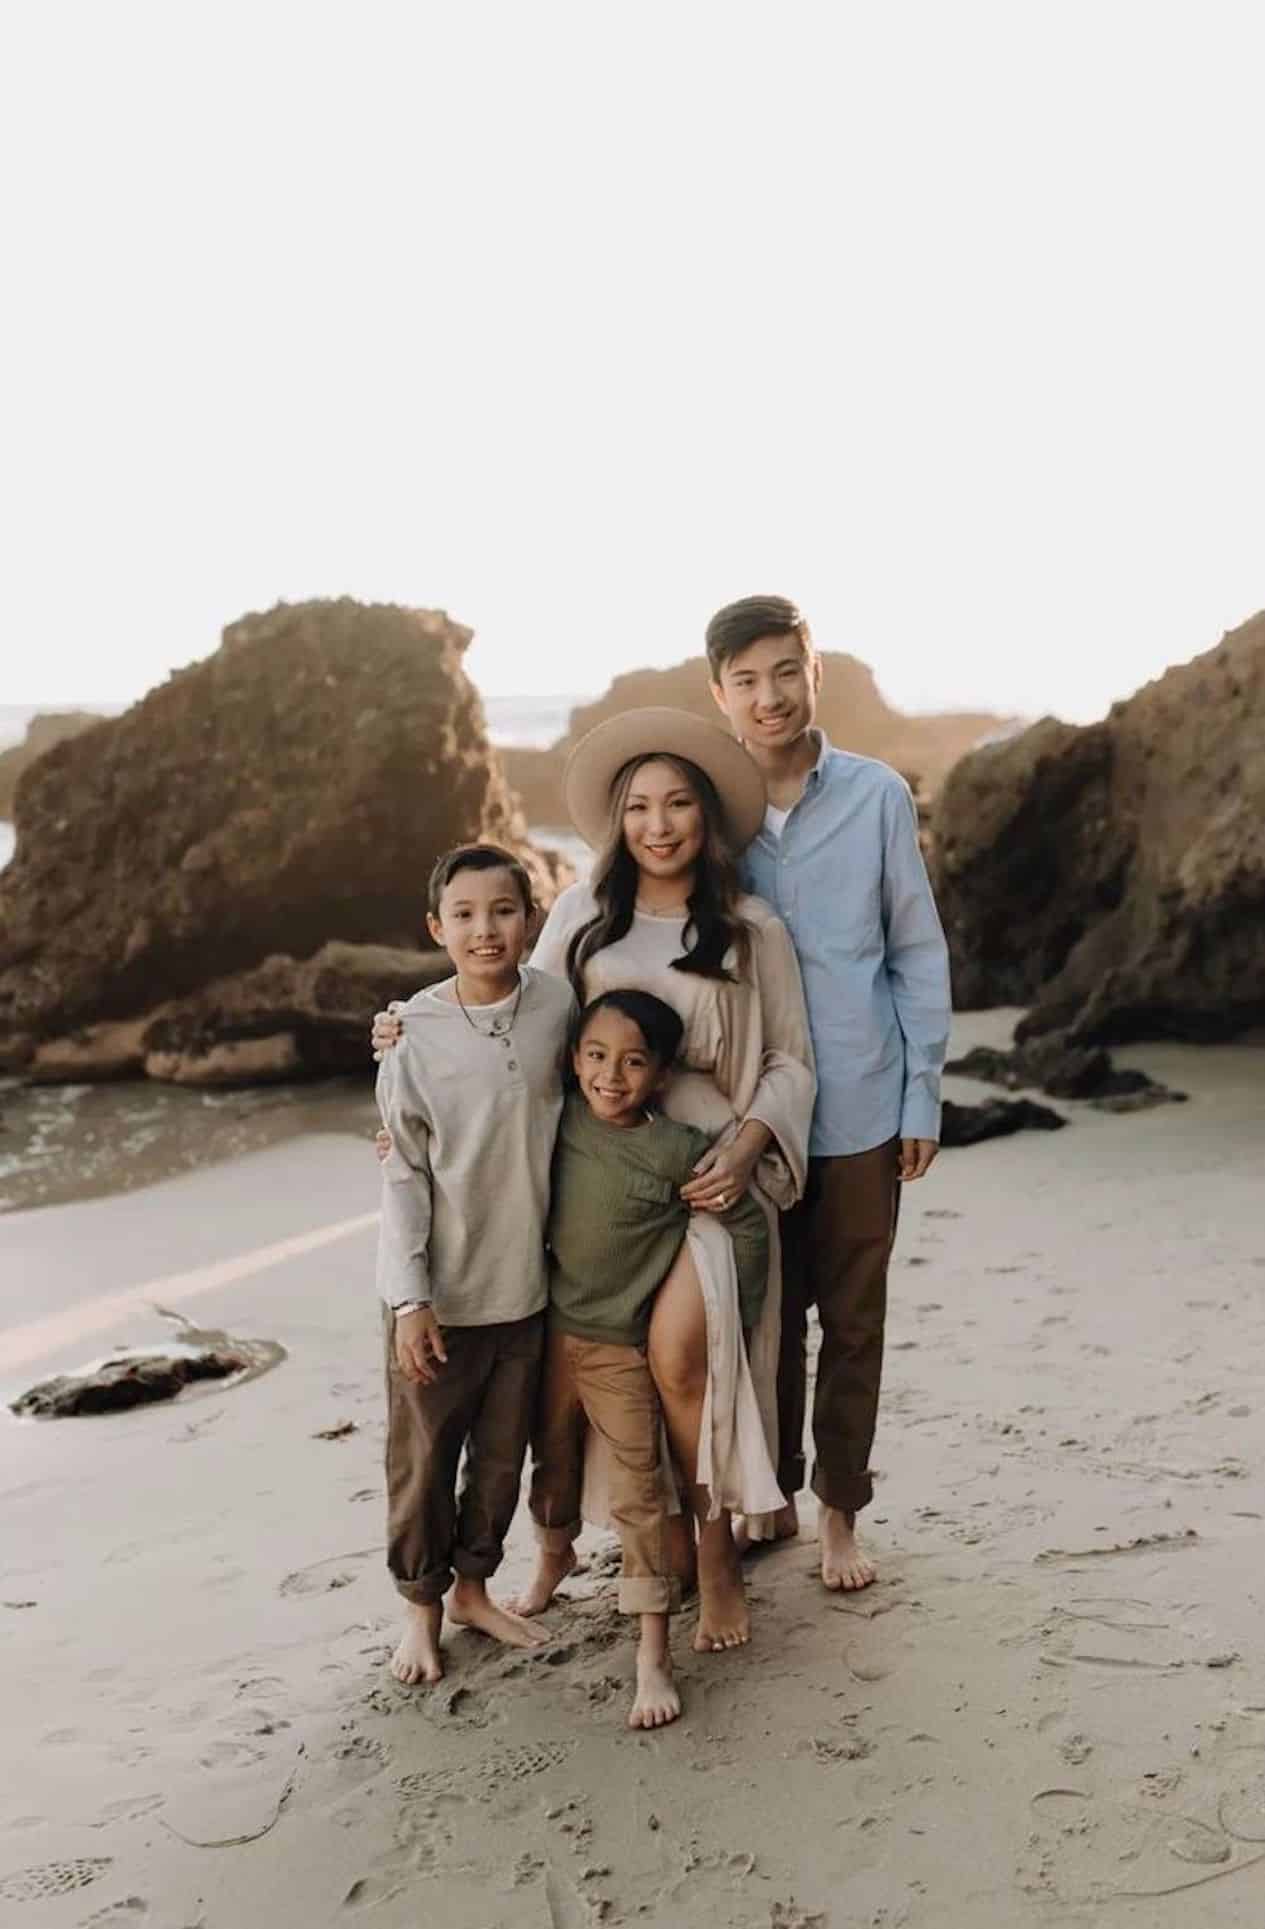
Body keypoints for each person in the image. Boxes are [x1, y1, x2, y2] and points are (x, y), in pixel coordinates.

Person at [376, 711, 815, 1652]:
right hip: (595, 1177)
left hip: (705, 1176)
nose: (659, 825)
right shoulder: (579, 912)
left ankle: (715, 1556)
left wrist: (745, 1148)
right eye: (639, 807)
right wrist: (405, 1033)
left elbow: (791, 1061)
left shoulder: (749, 927)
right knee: (573, 1377)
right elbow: (512, 1020)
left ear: (705, 815)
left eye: (679, 804)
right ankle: (571, 1543)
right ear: (617, 821)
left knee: (681, 1364)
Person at [705, 595, 952, 1592]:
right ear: (715, 692)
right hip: (748, 1118)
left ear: (813, 671)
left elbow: (913, 946)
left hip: (859, 1101)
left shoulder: (877, 796)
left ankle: (839, 1513)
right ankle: (767, 1492)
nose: (767, 697)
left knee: (851, 1320)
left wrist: (921, 1096)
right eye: (744, 680)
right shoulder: (705, 811)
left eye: (782, 672)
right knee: (765, 1322)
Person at [533, 988, 770, 1727]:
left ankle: (652, 1652)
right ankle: (550, 1558)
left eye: (633, 1062)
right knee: (545, 1462)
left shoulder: (673, 1148)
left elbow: (746, 1223)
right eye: (597, 1056)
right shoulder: (557, 1117)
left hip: (614, 1350)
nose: (612, 1075)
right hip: (544, 1332)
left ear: (661, 1075)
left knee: (641, 1489)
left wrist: (743, 1315)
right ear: (573, 1060)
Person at [375, 842, 575, 1686]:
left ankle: (472, 1589)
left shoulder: (557, 1004)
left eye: (502, 910)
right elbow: (402, 1173)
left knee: (499, 1459)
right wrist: (408, 1301)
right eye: (463, 914)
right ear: (435, 927)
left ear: (531, 919)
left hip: (525, 1290)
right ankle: (420, 1610)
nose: (484, 929)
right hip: (440, 1297)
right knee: (424, 1461)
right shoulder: (411, 1034)